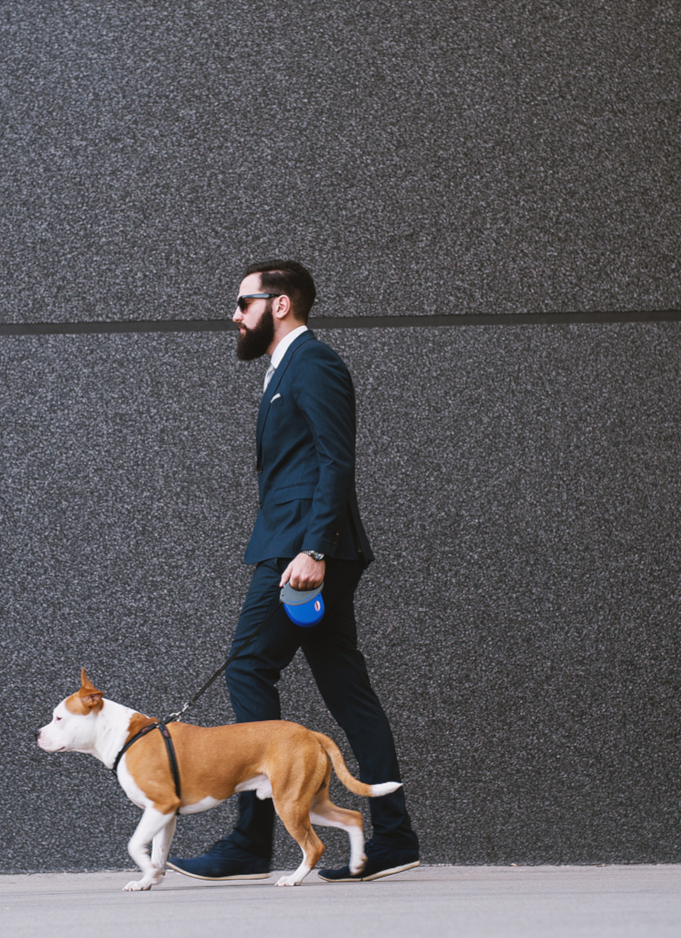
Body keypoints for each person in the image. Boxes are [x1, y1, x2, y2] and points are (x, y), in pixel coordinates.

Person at [168, 260, 420, 883]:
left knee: (250, 666)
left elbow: (337, 462)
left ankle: (252, 842)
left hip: (303, 551)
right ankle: (394, 837)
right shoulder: (285, 369)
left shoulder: (316, 364)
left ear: (279, 305)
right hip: (300, 545)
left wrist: (315, 549)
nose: (235, 315)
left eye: (243, 302)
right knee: (346, 690)